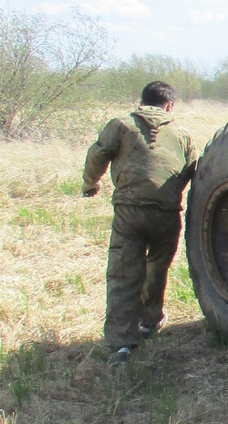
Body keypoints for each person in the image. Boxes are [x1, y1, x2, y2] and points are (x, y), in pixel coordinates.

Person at [83, 81, 199, 363]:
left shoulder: (121, 125)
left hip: (129, 211)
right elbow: (194, 170)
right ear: (169, 105)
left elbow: (99, 153)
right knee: (157, 268)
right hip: (167, 213)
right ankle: (150, 322)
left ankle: (122, 342)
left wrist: (90, 183)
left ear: (142, 101)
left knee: (124, 272)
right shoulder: (182, 134)